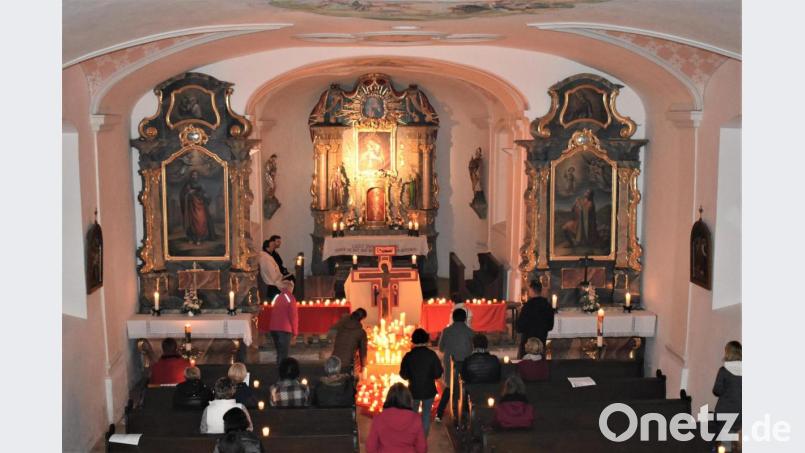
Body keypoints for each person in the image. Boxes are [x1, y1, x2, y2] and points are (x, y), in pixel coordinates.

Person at [399, 328, 443, 437]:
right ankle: (423, 440)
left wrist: (411, 376)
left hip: (413, 390)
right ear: (426, 339)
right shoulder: (431, 355)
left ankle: (413, 437)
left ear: (413, 340)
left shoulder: (409, 356)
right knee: (426, 415)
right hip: (428, 390)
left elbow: (403, 375)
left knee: (412, 415)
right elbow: (438, 373)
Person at [435, 308, 474, 422]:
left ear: (453, 318)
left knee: (449, 387)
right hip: (465, 363)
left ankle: (439, 414)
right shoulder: (470, 332)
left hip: (450, 362)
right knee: (464, 387)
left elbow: (441, 348)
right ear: (465, 318)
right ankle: (465, 412)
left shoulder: (447, 331)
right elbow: (472, 348)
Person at [366, 382, 427, 453]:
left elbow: (371, 446)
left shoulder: (379, 418)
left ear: (388, 399)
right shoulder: (416, 419)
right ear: (408, 400)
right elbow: (422, 447)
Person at [515, 280, 555, 359]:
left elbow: (519, 327)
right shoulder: (547, 305)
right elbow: (550, 326)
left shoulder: (527, 307)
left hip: (528, 343)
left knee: (527, 364)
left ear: (532, 290)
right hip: (541, 342)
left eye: (529, 290)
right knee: (540, 364)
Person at [180, 170, 217, 245]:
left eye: (196, 175)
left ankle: (200, 238)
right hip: (191, 206)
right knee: (191, 222)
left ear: (198, 176)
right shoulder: (188, 184)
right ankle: (192, 238)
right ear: (191, 176)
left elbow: (204, 194)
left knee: (201, 221)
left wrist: (201, 195)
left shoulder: (201, 184)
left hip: (200, 205)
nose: (194, 176)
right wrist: (188, 193)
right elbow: (183, 194)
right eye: (193, 175)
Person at [713, 340, 742, 433]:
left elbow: (717, 391)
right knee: (733, 437)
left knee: (723, 440)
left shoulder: (724, 371)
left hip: (724, 411)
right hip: (740, 413)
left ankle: (721, 447)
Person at [268, 280, 298, 365]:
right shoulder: (290, 298)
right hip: (284, 330)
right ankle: (282, 373)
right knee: (283, 354)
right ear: (290, 288)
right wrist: (295, 332)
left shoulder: (278, 297)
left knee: (279, 352)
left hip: (274, 329)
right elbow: (293, 316)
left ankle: (278, 370)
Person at [331, 308, 368, 375]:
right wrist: (363, 366)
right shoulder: (361, 332)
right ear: (361, 319)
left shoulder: (342, 327)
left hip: (333, 361)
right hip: (346, 364)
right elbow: (363, 352)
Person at [259, 236, 293, 301]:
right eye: (272, 245)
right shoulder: (265, 258)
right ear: (267, 246)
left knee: (291, 280)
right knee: (290, 282)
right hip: (272, 283)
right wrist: (281, 277)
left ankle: (288, 300)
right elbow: (271, 275)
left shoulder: (269, 256)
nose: (274, 246)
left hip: (276, 279)